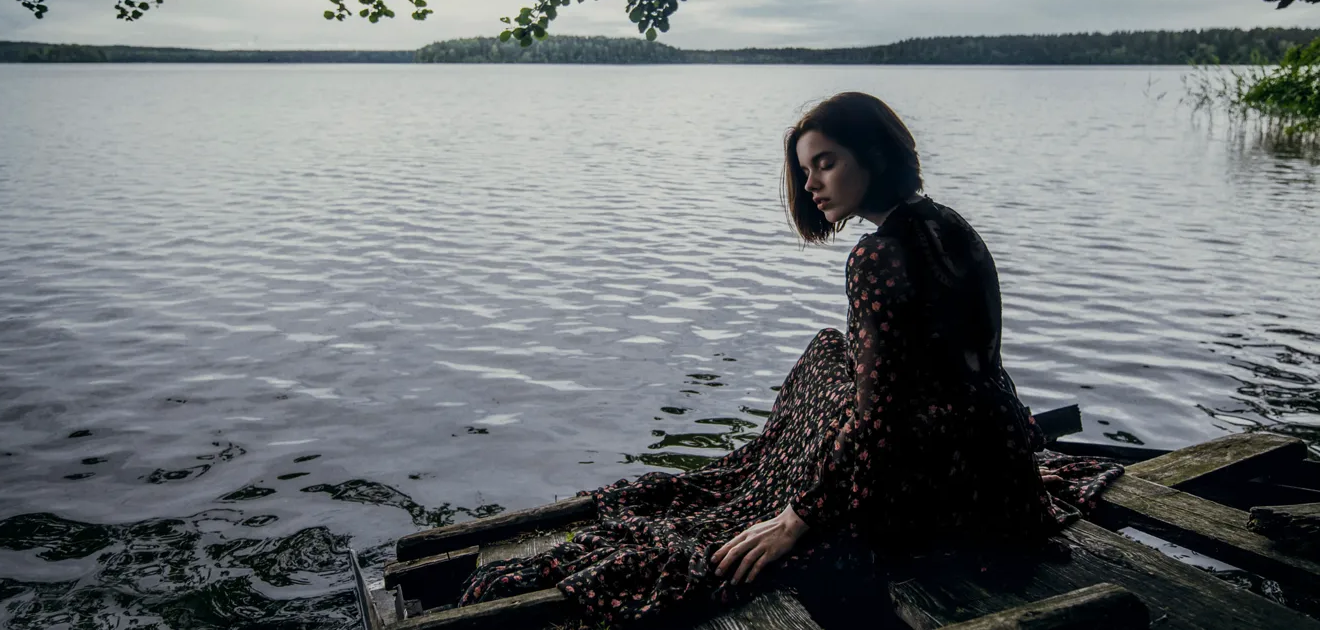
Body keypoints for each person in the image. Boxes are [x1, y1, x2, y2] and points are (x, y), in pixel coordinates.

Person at [456, 92, 1123, 627]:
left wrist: (798, 516)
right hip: (998, 462)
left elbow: (880, 422)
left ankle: (779, 484)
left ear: (873, 153)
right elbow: (948, 375)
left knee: (822, 392)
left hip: (936, 486)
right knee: (829, 353)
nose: (810, 184)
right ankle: (786, 471)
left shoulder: (877, 258)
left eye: (825, 162)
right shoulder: (950, 224)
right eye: (806, 169)